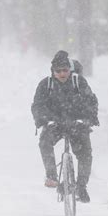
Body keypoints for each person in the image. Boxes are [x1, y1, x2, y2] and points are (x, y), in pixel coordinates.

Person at [31, 50, 99, 203]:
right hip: (55, 125)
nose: (62, 73)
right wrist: (43, 120)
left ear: (70, 69)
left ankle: (81, 185)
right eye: (58, 71)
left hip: (76, 124)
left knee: (85, 153)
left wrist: (89, 119)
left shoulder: (79, 82)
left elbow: (91, 101)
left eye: (65, 70)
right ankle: (52, 176)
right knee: (44, 142)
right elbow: (37, 105)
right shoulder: (45, 85)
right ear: (53, 71)